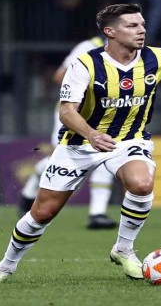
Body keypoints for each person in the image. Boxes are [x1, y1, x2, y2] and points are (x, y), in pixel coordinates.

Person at [0, 3, 161, 284]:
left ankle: (123, 249)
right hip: (79, 144)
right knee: (42, 213)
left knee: (141, 184)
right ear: (110, 32)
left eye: (142, 24)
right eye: (132, 25)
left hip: (129, 140)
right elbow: (67, 111)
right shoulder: (85, 64)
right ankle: (6, 266)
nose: (141, 30)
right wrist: (91, 134)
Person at [19, 35, 120, 230]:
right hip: (74, 111)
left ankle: (97, 214)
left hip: (104, 113)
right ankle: (34, 181)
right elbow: (60, 76)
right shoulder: (89, 46)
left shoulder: (131, 55)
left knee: (105, 153)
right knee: (64, 159)